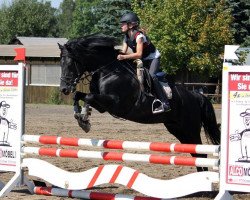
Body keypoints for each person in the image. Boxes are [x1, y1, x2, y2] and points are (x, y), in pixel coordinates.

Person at [117, 12, 170, 113]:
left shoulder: (139, 36)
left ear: (130, 25)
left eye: (123, 24)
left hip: (153, 58)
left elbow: (138, 54)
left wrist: (123, 56)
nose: (121, 26)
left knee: (152, 75)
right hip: (144, 59)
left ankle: (165, 103)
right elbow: (123, 51)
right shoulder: (126, 37)